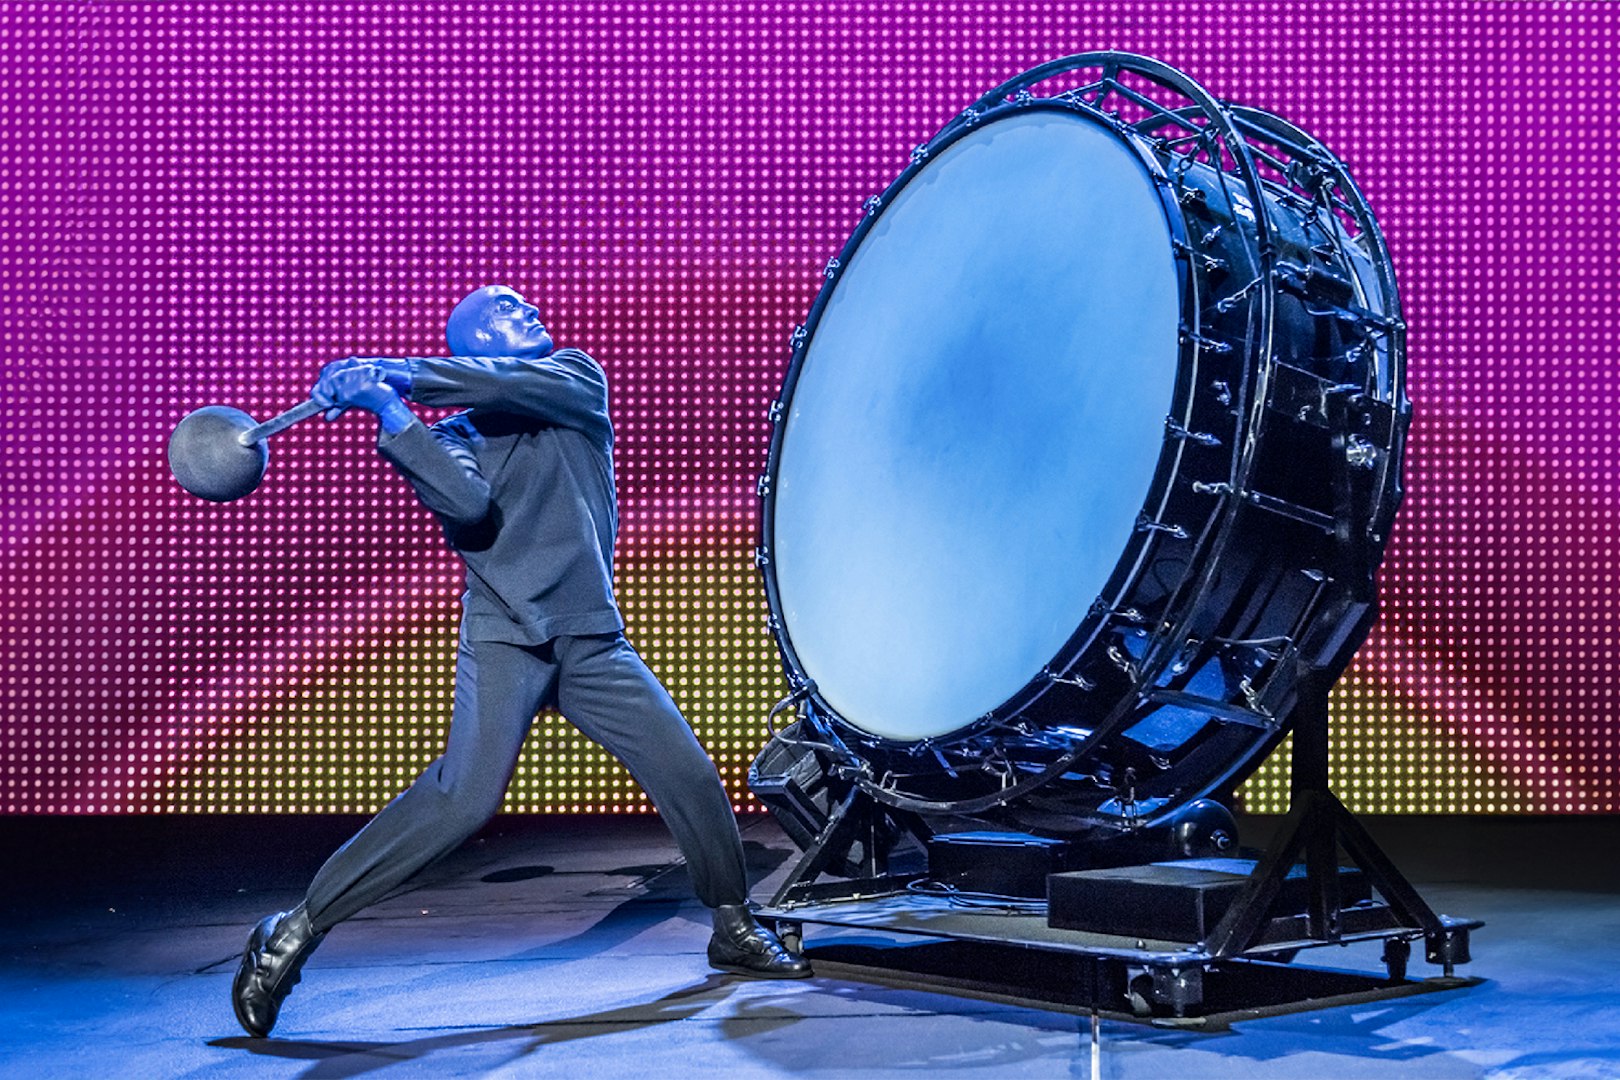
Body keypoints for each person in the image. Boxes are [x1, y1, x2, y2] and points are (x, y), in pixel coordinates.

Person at [232, 284, 809, 1040]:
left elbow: (503, 385)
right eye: (506, 311)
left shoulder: (573, 381)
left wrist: (393, 375)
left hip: (588, 640)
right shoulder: (455, 436)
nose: (528, 311)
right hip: (503, 639)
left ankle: (732, 926)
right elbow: (468, 509)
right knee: (460, 800)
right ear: (476, 344)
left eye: (523, 304)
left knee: (687, 771)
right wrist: (393, 413)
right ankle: (294, 929)